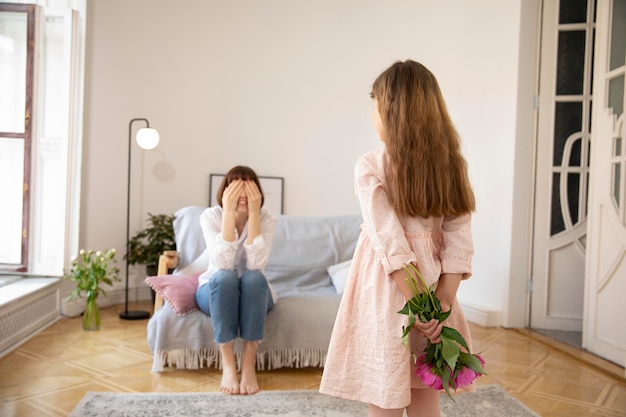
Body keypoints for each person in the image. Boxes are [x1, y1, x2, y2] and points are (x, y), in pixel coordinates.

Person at [319, 60, 476, 417]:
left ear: (391, 109)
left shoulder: (371, 165)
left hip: (394, 294)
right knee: (424, 390)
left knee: (386, 395)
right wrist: (442, 301)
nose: (372, 113)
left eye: (373, 104)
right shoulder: (451, 165)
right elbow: (458, 240)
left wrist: (425, 307)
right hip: (434, 291)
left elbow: (390, 243)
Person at [195, 165, 277, 395]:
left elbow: (256, 265)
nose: (243, 194)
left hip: (255, 291)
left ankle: (249, 365)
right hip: (215, 289)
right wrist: (229, 214)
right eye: (236, 188)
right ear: (225, 191)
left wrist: (253, 215)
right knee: (225, 277)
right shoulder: (211, 216)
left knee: (252, 278)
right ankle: (229, 365)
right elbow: (223, 263)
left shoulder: (266, 219)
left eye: (248, 188)